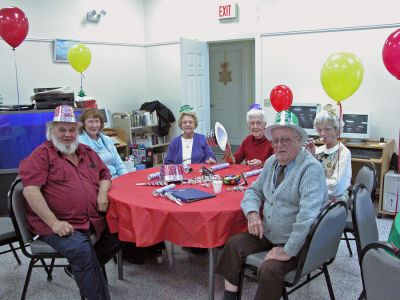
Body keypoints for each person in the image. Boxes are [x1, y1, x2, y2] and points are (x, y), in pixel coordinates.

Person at [215, 110, 328, 300]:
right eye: (275, 141)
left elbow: (307, 218)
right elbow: (253, 191)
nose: (278, 145)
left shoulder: (310, 169)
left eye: (285, 139)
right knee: (233, 244)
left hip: (298, 242)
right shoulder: (271, 163)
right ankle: (229, 297)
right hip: (269, 234)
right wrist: (252, 213)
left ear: (298, 140)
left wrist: (287, 250)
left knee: (269, 270)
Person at [19, 105, 123, 300]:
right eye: (62, 129)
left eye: (72, 129)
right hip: (59, 223)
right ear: (51, 131)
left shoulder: (86, 151)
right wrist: (54, 223)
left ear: (77, 130)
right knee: (82, 251)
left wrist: (102, 193)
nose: (68, 134)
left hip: (92, 217)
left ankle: (77, 269)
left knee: (123, 229)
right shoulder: (42, 155)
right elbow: (30, 191)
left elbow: (105, 174)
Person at [304, 104, 352, 203]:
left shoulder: (344, 153)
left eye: (327, 129)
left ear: (337, 130)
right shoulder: (317, 150)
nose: (322, 134)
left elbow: (336, 186)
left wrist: (312, 184)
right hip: (316, 193)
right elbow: (307, 174)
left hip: (335, 199)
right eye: (319, 129)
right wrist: (310, 156)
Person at [79, 108, 127, 179]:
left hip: (116, 179)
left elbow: (119, 165)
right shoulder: (80, 143)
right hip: (99, 183)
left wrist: (125, 178)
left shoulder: (107, 140)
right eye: (90, 122)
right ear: (83, 124)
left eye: (97, 121)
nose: (94, 125)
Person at [224, 104, 273, 168]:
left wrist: (262, 164)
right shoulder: (247, 140)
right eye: (252, 123)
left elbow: (278, 165)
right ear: (249, 126)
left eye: (258, 123)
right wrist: (228, 152)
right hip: (248, 175)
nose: (255, 126)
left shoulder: (272, 140)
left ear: (265, 124)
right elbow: (235, 161)